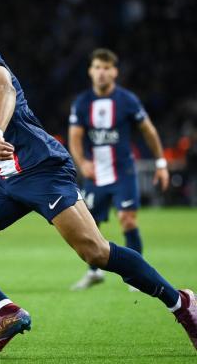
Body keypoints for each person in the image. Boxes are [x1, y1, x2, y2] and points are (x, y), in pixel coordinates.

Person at [0, 23, 197, 357]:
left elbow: (4, 90)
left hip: (42, 168)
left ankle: (182, 303)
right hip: (6, 181)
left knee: (96, 252)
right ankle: (5, 312)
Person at [68, 48, 170, 291]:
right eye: (97, 68)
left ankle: (138, 275)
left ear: (114, 72)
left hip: (123, 171)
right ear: (90, 72)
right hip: (96, 173)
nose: (101, 73)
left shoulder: (127, 100)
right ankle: (94, 273)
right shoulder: (82, 103)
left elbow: (149, 131)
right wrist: (82, 163)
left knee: (127, 220)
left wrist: (161, 163)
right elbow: (75, 137)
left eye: (106, 68)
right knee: (89, 224)